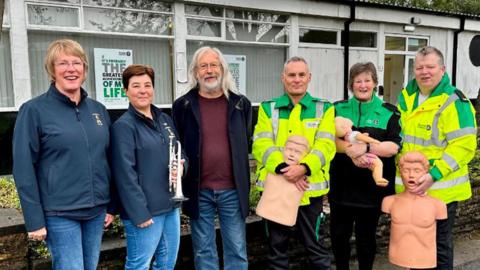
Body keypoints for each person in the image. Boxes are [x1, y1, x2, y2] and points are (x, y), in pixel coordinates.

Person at [12, 39, 114, 270]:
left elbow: (108, 160)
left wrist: (111, 205)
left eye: (77, 63)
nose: (71, 69)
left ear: (85, 69)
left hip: (96, 211)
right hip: (60, 213)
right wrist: (34, 220)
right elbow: (23, 168)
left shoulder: (98, 111)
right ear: (52, 70)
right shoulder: (34, 110)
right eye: (63, 63)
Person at [396, 46, 477, 269]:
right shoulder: (407, 97)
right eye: (420, 67)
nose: (425, 72)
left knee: (439, 245)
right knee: (415, 242)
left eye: (430, 67)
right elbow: (401, 137)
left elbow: (464, 145)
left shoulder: (454, 101)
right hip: (411, 188)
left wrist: (433, 175)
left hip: (440, 188)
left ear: (442, 69)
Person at [171, 46, 252, 270]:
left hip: (233, 190)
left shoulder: (240, 104)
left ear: (223, 69)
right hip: (199, 190)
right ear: (195, 72)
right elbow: (177, 146)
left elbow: (245, 140)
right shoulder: (182, 105)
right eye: (203, 66)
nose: (209, 70)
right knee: (203, 251)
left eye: (213, 65)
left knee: (236, 249)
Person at [252, 56, 335, 269]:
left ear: (309, 78)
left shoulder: (324, 108)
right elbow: (261, 144)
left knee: (316, 247)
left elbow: (326, 145)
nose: (296, 79)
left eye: (301, 75)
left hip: (309, 192)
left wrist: (304, 168)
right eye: (291, 75)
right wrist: (284, 168)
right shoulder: (268, 108)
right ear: (283, 78)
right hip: (275, 190)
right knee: (276, 249)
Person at [329, 62, 401, 270]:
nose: (363, 85)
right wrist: (349, 149)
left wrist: (366, 149)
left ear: (374, 83)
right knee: (339, 236)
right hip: (341, 188)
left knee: (366, 238)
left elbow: (393, 147)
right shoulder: (337, 109)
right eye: (358, 81)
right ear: (351, 85)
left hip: (371, 191)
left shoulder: (389, 112)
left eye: (367, 80)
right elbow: (325, 140)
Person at [111, 64, 184, 270]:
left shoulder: (165, 120)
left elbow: (180, 153)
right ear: (126, 91)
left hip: (170, 206)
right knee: (138, 265)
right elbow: (124, 175)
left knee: (167, 264)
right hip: (145, 211)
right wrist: (139, 213)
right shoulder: (123, 127)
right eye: (136, 86)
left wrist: (181, 168)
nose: (143, 90)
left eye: (147, 85)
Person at [382, 151, 447, 269]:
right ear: (400, 173)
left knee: (444, 244)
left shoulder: (438, 205)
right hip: (397, 256)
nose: (411, 175)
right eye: (406, 171)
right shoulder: (389, 202)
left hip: (426, 258)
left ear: (426, 173)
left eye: (417, 171)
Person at [255, 135, 310, 226]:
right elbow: (260, 143)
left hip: (291, 215)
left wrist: (303, 169)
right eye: (289, 150)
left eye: (297, 152)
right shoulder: (273, 170)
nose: (292, 154)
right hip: (267, 211)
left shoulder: (303, 178)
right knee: (276, 237)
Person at [334, 116, 388, 186]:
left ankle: (378, 179)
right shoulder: (353, 134)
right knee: (378, 164)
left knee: (374, 167)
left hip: (358, 158)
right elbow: (363, 138)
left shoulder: (345, 137)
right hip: (366, 155)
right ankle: (378, 179)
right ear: (345, 126)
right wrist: (374, 141)